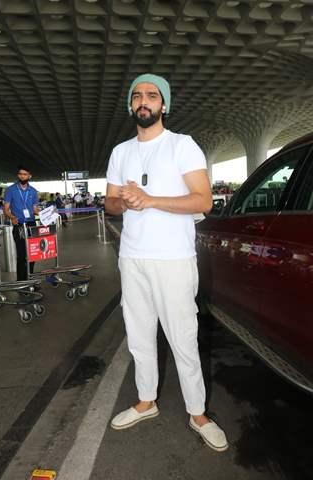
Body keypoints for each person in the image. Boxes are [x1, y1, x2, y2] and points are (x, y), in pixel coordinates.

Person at [105, 74, 228, 452]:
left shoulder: (182, 146)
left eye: (152, 96)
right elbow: (109, 203)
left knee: (183, 337)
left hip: (174, 259)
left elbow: (203, 201)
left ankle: (198, 412)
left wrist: (151, 199)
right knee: (139, 334)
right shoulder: (120, 152)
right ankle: (146, 401)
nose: (144, 101)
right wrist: (124, 201)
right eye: (137, 96)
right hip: (133, 257)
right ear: (131, 105)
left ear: (164, 105)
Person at [3, 166, 39, 281]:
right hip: (18, 224)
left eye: (25, 174)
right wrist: (12, 217)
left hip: (31, 224)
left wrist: (47, 214)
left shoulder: (33, 191)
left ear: (29, 176)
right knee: (22, 255)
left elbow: (35, 210)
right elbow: (6, 209)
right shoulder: (11, 189)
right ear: (18, 175)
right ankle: (22, 282)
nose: (22, 176)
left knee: (33, 253)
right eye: (20, 174)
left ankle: (31, 279)